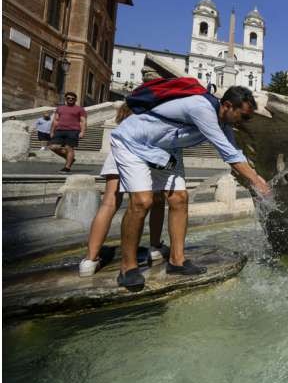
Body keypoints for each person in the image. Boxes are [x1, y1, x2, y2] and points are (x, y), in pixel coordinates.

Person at [110, 86, 270, 289]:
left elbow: (235, 153)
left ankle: (177, 261)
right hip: (132, 142)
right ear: (228, 106)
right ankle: (128, 267)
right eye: (243, 115)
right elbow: (228, 153)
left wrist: (257, 180)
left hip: (165, 151)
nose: (244, 121)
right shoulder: (201, 108)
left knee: (179, 199)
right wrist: (257, 182)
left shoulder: (225, 125)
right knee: (142, 201)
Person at [79, 106, 170, 276]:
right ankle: (155, 248)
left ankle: (89, 261)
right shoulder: (153, 108)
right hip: (144, 152)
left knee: (109, 203)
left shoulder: (130, 110)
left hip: (119, 151)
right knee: (157, 200)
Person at [48, 92, 86, 173]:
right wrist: (51, 131)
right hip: (59, 130)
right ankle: (70, 158)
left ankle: (67, 167)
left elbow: (83, 121)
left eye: (72, 98)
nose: (70, 99)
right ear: (65, 99)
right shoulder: (60, 108)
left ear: (75, 99)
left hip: (73, 130)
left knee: (69, 148)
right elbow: (55, 120)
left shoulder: (80, 109)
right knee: (52, 147)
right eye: (68, 98)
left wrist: (82, 132)